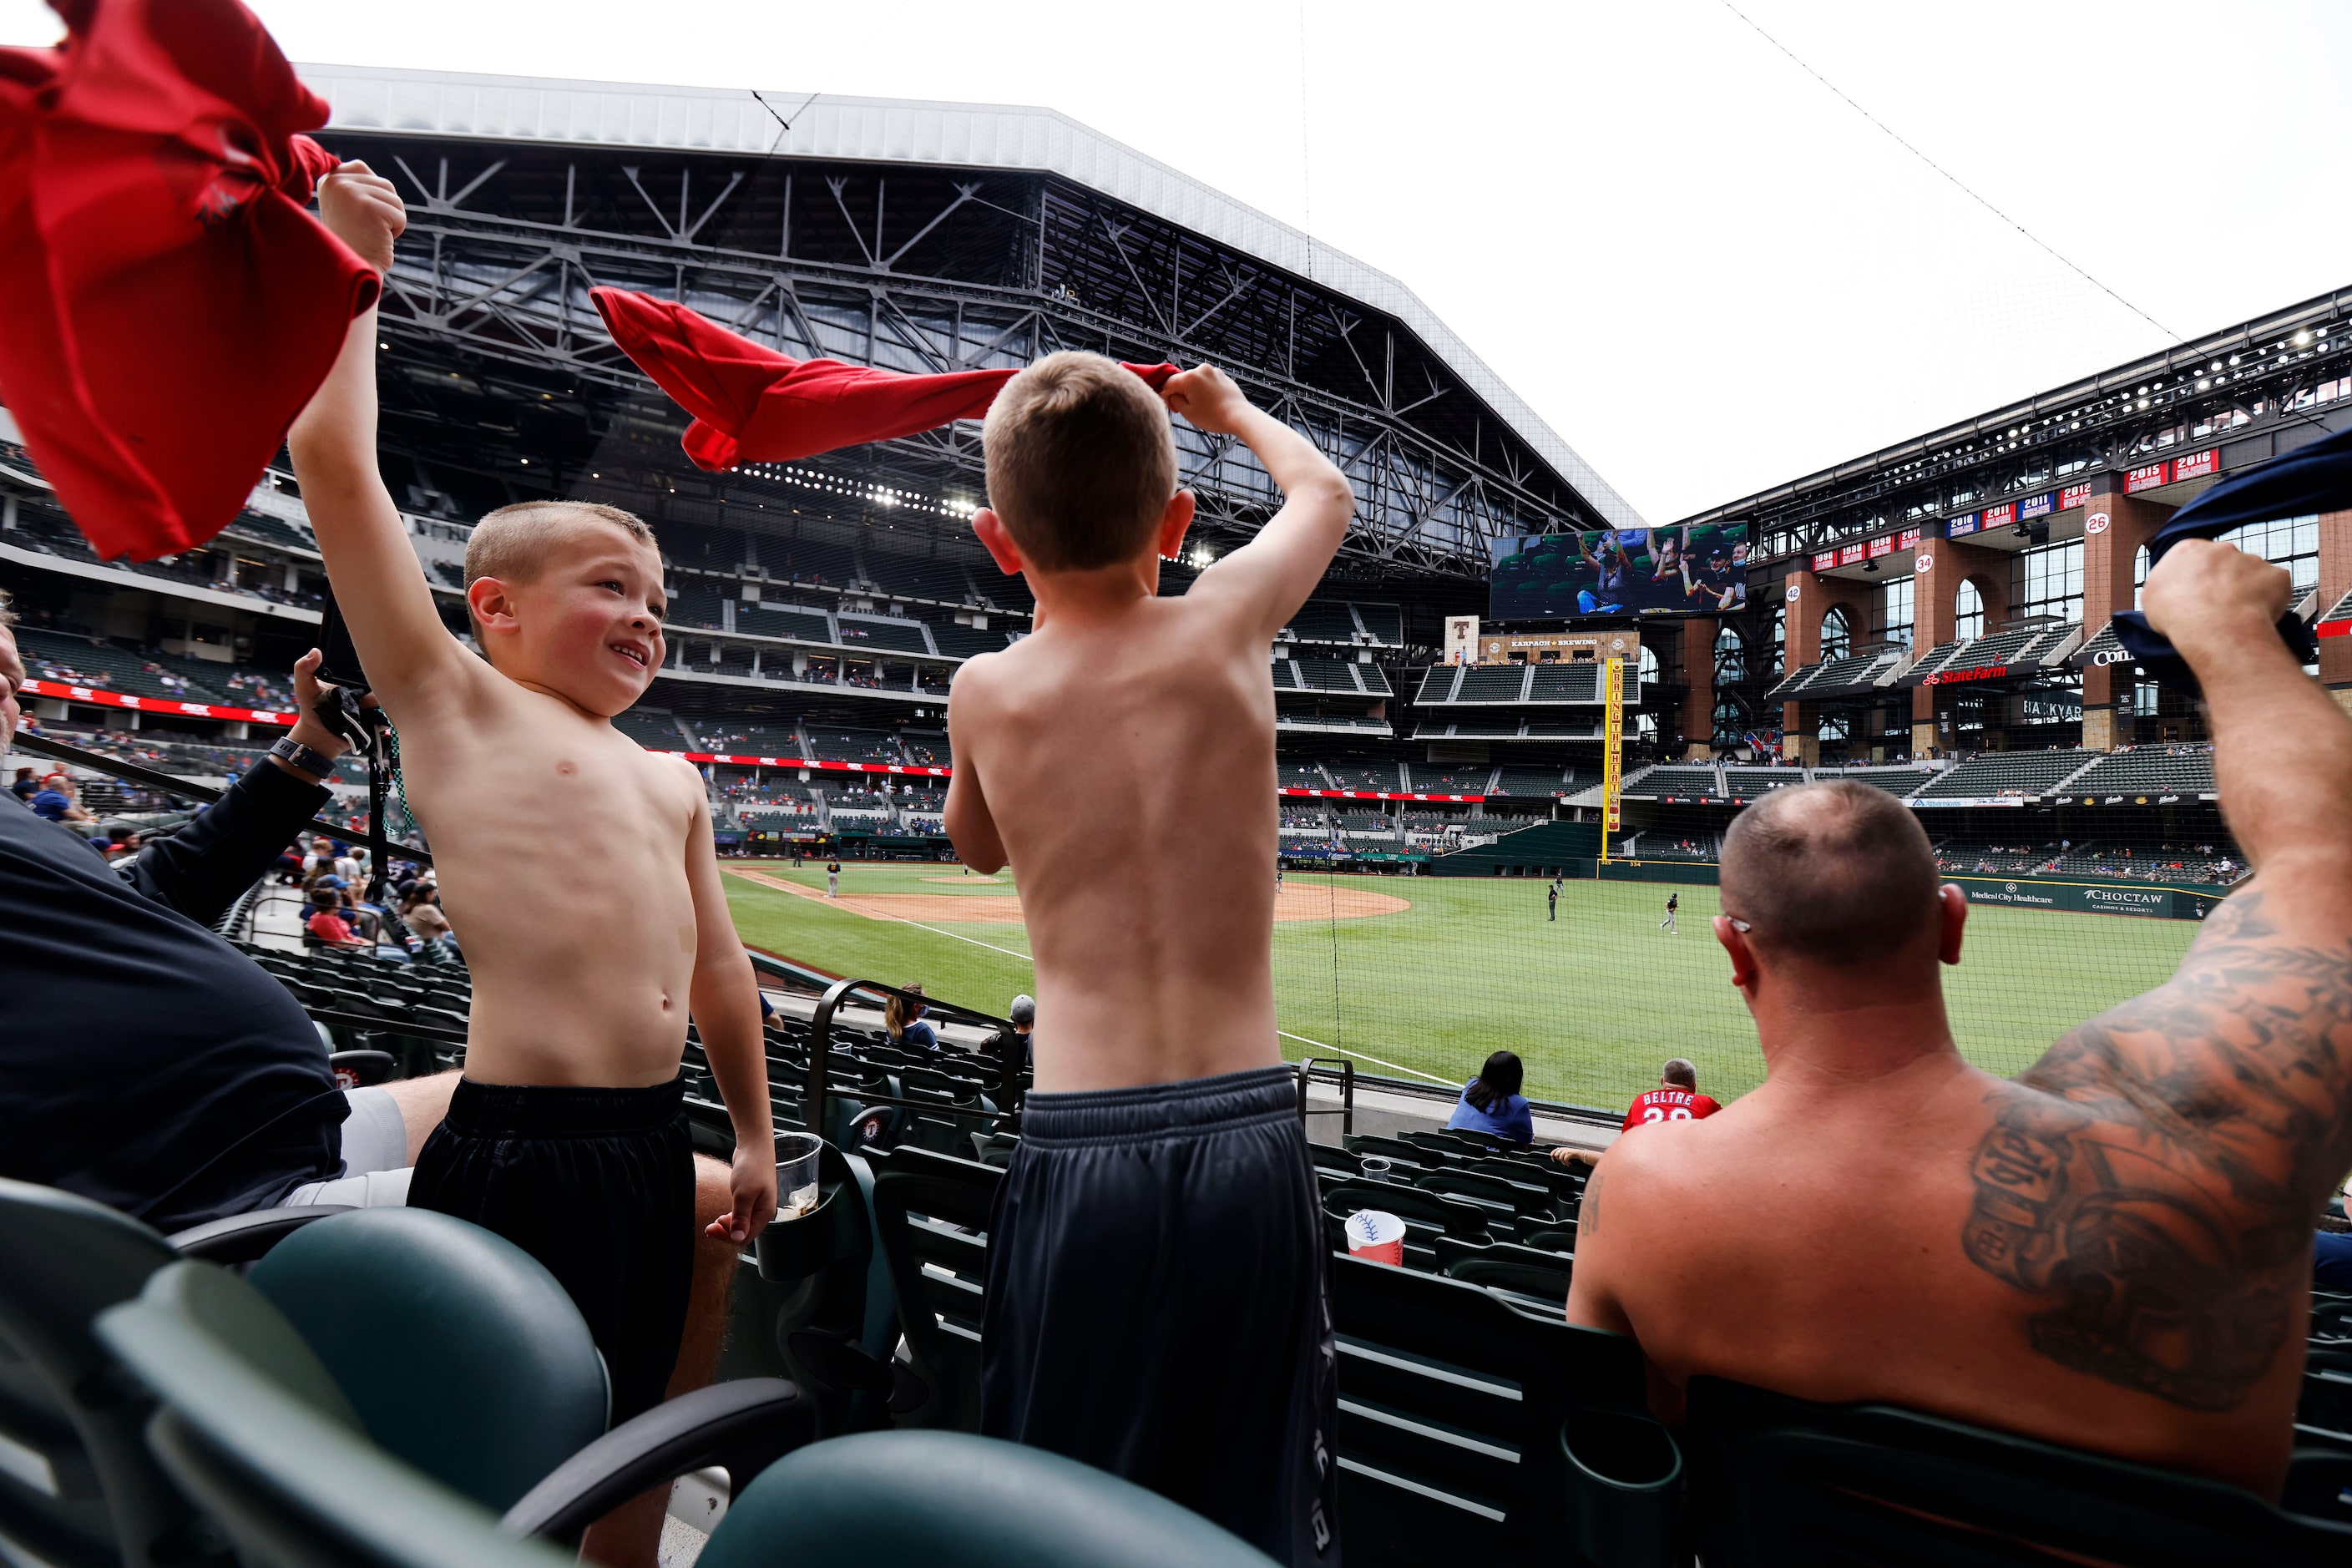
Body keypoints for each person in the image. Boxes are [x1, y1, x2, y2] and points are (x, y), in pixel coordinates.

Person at [1565, 539, 2352, 1500]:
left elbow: (1621, 1471)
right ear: (1950, 924)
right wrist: (2229, 631)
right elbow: (2329, 861)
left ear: (1736, 952)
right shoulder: (2200, 1148)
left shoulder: (1645, 1198)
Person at [288, 164, 774, 1565]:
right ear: (494, 609)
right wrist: (353, 260)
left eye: (659, 600)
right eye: (608, 586)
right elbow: (335, 457)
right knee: (489, 1449)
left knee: (634, 1419)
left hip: (649, 1134)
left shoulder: (670, 773)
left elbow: (719, 966)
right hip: (516, 1140)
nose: (645, 614)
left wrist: (747, 1127)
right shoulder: (453, 700)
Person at [945, 352, 1352, 1564]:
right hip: (1244, 1134)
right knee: (1251, 1478)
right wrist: (1227, 410)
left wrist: (1029, 642)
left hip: (1079, 1138)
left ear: (994, 538)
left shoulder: (983, 687)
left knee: (1069, 1487)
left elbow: (973, 844)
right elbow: (1323, 493)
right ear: (1177, 523)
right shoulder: (1225, 615)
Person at [1, 609, 458, 1227]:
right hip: (216, 1206)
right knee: (609, 1168)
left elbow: (158, 890)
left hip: (277, 1133)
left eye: (12, 676)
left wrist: (318, 736)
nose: (6, 686)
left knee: (562, 1092)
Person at [1446, 1050, 1535, 1146]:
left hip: (1448, 1150)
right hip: (1483, 1159)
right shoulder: (1518, 1104)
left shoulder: (1471, 1084)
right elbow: (1527, 1144)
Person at [1619, 1059, 1718, 1130]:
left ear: (1662, 1081)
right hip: (1682, 1158)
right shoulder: (1706, 1103)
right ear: (1694, 1087)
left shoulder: (1640, 1101)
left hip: (1643, 1157)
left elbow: (1625, 1138)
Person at [981, 993, 1038, 1071]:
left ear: (1011, 1017)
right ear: (1036, 1016)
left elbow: (984, 1047)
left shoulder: (1003, 1041)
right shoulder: (1042, 1042)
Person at [305, 885, 372, 949]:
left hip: (355, 944)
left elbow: (349, 937)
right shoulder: (325, 920)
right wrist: (366, 946)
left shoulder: (324, 916)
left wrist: (369, 943)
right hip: (351, 951)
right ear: (336, 903)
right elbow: (341, 944)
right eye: (340, 899)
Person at [884, 982, 938, 1051]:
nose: (926, 1005)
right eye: (924, 1001)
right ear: (915, 1006)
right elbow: (936, 1057)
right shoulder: (922, 1030)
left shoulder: (891, 1026)